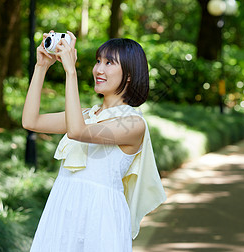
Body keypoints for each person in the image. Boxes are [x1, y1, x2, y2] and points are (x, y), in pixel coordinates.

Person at [22, 31, 166, 252]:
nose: (99, 69)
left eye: (109, 63)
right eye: (99, 61)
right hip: (63, 208)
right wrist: (41, 67)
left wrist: (71, 71)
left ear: (129, 74)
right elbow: (31, 121)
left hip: (100, 218)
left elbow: (76, 131)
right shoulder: (87, 115)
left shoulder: (133, 124)